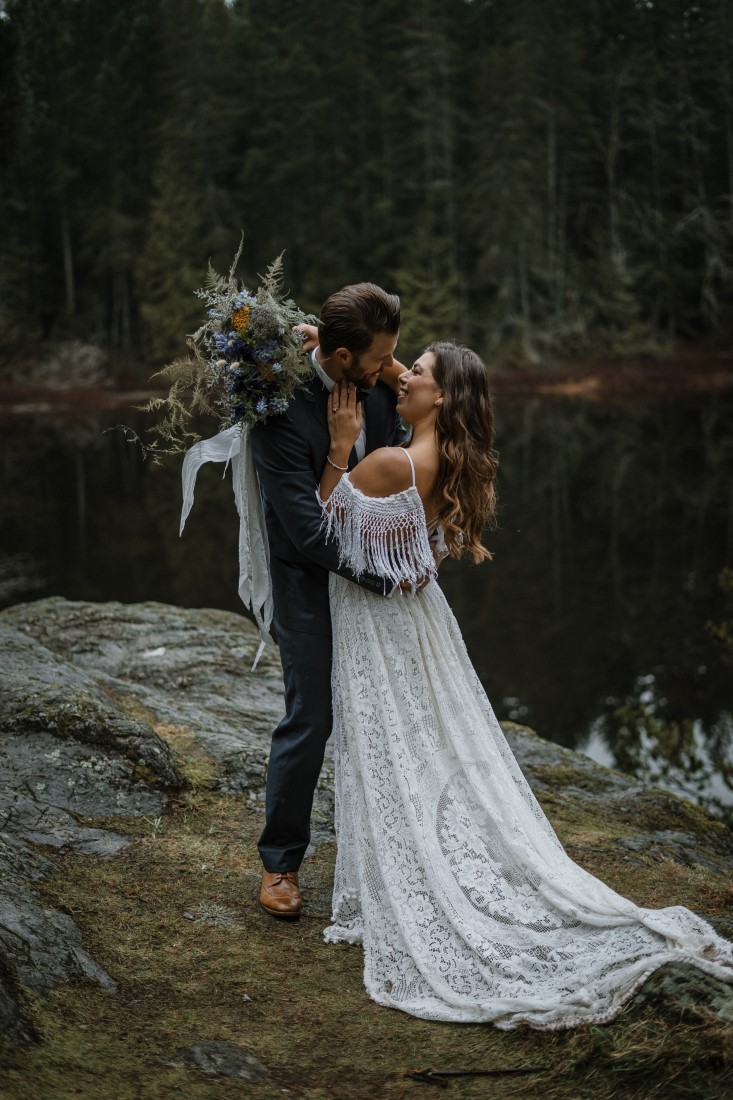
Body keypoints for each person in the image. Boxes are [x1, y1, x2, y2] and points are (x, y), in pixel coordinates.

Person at [316, 341, 733, 1029]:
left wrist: (337, 444)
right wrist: (353, 355)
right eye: (404, 364)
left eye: (415, 370)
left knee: (390, 748)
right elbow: (414, 414)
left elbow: (323, 522)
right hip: (417, 620)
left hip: (379, 626)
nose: (403, 375)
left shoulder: (389, 461)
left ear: (442, 396)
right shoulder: (443, 457)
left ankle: (419, 880)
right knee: (423, 750)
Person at [249, 282, 407, 918]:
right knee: (310, 717)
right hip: (310, 580)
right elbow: (308, 535)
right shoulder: (277, 411)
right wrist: (381, 578)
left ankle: (395, 856)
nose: (386, 368)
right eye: (376, 358)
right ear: (341, 358)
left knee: (394, 713)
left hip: (381, 566)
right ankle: (281, 864)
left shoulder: (380, 380)